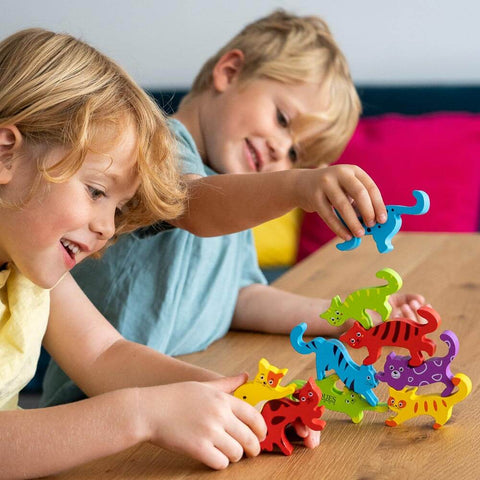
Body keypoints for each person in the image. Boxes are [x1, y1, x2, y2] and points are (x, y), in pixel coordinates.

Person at [42, 10, 425, 451]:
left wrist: (339, 317)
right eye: (283, 119)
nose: (281, 149)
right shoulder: (155, 145)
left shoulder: (236, 199)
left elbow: (239, 295)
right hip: (97, 411)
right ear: (229, 72)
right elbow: (193, 206)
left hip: (183, 401)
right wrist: (296, 184)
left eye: (296, 155)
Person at [0, 28, 269, 478]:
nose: (107, 227)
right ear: (6, 155)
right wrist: (141, 415)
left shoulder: (27, 266)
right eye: (96, 191)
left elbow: (105, 355)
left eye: (119, 207)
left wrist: (236, 398)